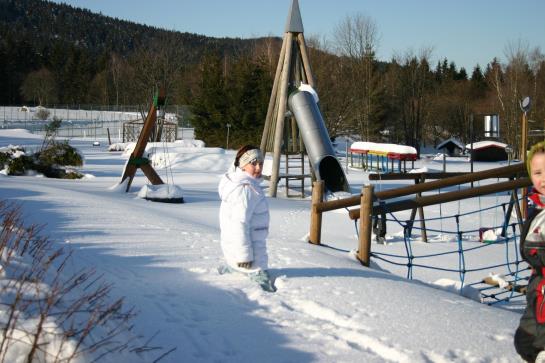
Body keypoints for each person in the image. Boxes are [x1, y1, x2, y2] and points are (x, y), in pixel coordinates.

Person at [218, 145, 275, 292]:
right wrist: (244, 256)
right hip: (252, 259)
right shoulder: (246, 189)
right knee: (267, 291)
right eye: (253, 163)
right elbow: (239, 224)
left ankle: (234, 267)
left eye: (261, 163)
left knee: (237, 267)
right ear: (243, 166)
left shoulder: (238, 182)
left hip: (237, 252)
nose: (258, 167)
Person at [515, 141, 545, 362]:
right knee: (525, 341)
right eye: (537, 172)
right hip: (537, 286)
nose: (543, 178)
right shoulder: (537, 208)